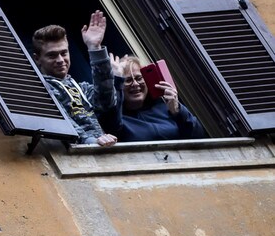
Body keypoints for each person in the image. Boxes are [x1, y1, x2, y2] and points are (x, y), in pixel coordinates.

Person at [32, 10, 118, 146]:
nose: (60, 60)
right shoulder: (39, 89)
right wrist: (92, 143)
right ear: (37, 59)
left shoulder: (82, 88)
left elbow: (106, 102)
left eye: (63, 53)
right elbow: (64, 124)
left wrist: (95, 48)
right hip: (75, 154)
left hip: (98, 149)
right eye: (52, 55)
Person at [100, 56, 205, 142]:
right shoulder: (116, 118)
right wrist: (117, 80)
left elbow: (198, 135)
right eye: (128, 80)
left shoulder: (164, 107)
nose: (135, 84)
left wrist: (177, 110)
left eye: (139, 78)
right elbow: (111, 127)